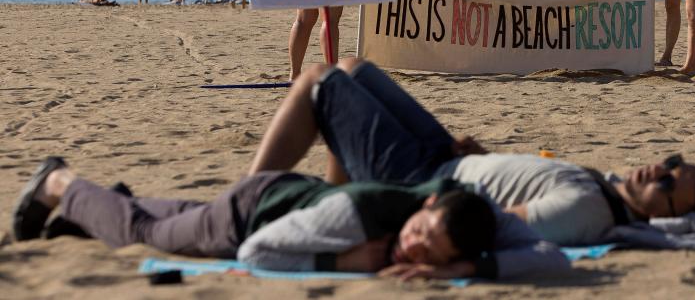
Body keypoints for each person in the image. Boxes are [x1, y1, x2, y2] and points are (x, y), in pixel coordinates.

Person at [247, 58, 695, 247]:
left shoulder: (584, 211)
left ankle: (247, 203)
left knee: (319, 81)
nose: (658, 171)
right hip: (451, 158)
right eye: (672, 165)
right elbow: (516, 185)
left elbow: (493, 225)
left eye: (667, 184)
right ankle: (332, 203)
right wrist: (485, 157)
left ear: (665, 217)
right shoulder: (603, 189)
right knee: (354, 69)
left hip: (424, 182)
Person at [12, 157, 569, 280]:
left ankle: (91, 213)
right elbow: (255, 253)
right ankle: (61, 184)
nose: (414, 249)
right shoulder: (357, 219)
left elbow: (554, 260)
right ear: (426, 207)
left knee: (183, 215)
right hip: (250, 217)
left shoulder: (473, 212)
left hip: (290, 198)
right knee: (148, 234)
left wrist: (459, 269)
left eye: (431, 253)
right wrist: (341, 262)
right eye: (419, 235)